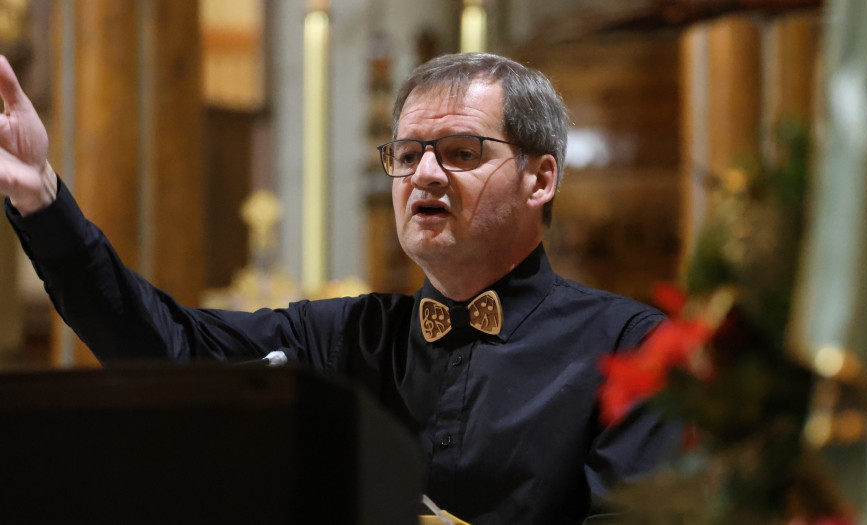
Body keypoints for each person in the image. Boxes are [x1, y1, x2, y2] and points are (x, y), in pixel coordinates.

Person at [1, 52, 680, 524]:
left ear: (540, 178)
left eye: (461, 152)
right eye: (407, 154)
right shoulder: (340, 336)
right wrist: (41, 199)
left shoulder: (632, 348)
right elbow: (164, 345)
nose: (426, 174)